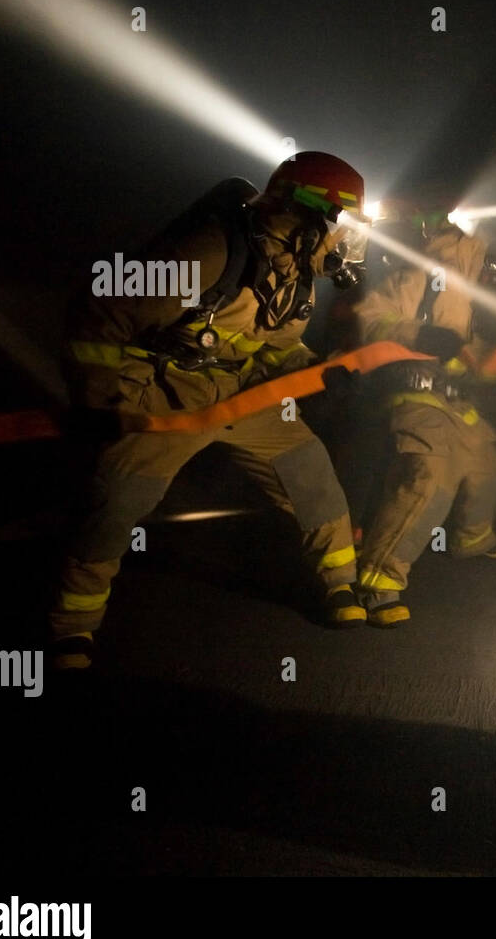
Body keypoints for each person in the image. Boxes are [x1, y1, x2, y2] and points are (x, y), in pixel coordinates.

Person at [50, 151, 371, 669]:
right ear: (304, 216)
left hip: (237, 394)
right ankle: (72, 628)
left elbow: (274, 348)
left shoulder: (294, 275)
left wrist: (322, 369)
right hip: (162, 394)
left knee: (309, 470)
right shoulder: (208, 253)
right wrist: (97, 402)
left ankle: (340, 588)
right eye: (341, 223)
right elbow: (99, 312)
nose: (345, 240)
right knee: (117, 504)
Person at [340, 203, 496, 626]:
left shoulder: (464, 301)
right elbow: (371, 321)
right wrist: (419, 333)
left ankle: (472, 539)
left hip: (455, 401)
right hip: (413, 391)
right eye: (489, 268)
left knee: (488, 465)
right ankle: (379, 581)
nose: (494, 277)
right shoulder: (419, 276)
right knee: (428, 478)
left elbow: (471, 358)